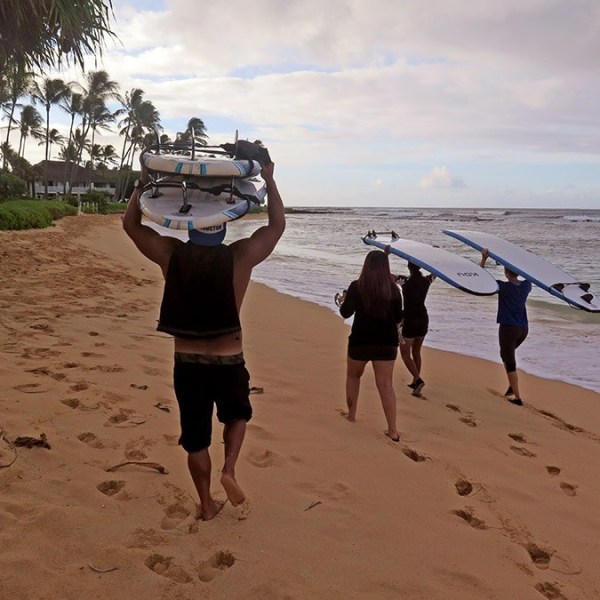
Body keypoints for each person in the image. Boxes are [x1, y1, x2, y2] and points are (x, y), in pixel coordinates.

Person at [123, 158, 285, 520]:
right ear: (223, 224)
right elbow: (276, 226)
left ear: (190, 224)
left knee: (195, 437)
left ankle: (207, 504)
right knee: (238, 414)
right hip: (229, 359)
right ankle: (229, 468)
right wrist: (270, 180)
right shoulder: (240, 257)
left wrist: (142, 182)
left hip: (189, 363)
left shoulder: (170, 253)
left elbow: (131, 226)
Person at [338, 250, 403, 442]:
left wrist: (343, 300)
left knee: (353, 376)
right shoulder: (394, 291)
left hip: (361, 340)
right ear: (386, 268)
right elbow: (399, 319)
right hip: (386, 343)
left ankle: (351, 415)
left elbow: (345, 313)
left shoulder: (357, 287)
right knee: (385, 385)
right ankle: (393, 430)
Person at [480, 248, 532, 406]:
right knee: (505, 355)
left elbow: (481, 279)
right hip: (523, 329)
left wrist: (483, 258)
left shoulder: (503, 287)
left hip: (508, 329)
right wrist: (527, 258)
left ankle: (517, 398)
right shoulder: (526, 287)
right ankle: (512, 384)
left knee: (509, 361)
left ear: (505, 272)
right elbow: (530, 273)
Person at [396, 263, 435, 396]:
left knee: (405, 354)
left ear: (408, 266)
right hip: (423, 318)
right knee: (416, 351)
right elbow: (435, 273)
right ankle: (415, 381)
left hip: (410, 318)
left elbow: (388, 276)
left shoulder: (404, 281)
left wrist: (386, 254)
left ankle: (418, 380)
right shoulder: (426, 281)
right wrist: (433, 257)